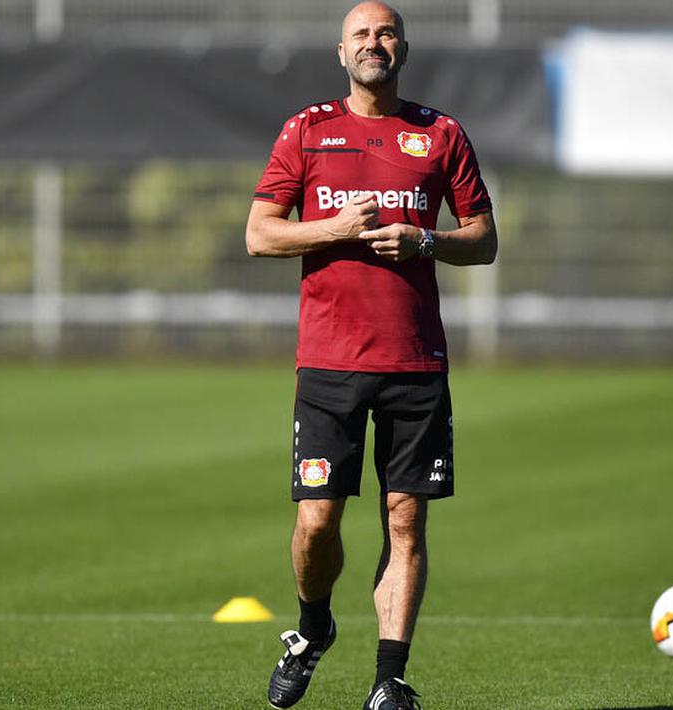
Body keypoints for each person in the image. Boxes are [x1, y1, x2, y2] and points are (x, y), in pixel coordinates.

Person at [245, 2, 497, 708]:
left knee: (405, 519)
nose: (373, 43)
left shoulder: (439, 133)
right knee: (315, 521)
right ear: (341, 51)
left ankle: (390, 679)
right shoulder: (308, 130)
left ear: (403, 48)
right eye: (361, 34)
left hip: (415, 362)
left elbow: (483, 238)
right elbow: (260, 234)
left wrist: (425, 241)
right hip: (328, 362)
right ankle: (312, 626)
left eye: (385, 33)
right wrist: (335, 227)